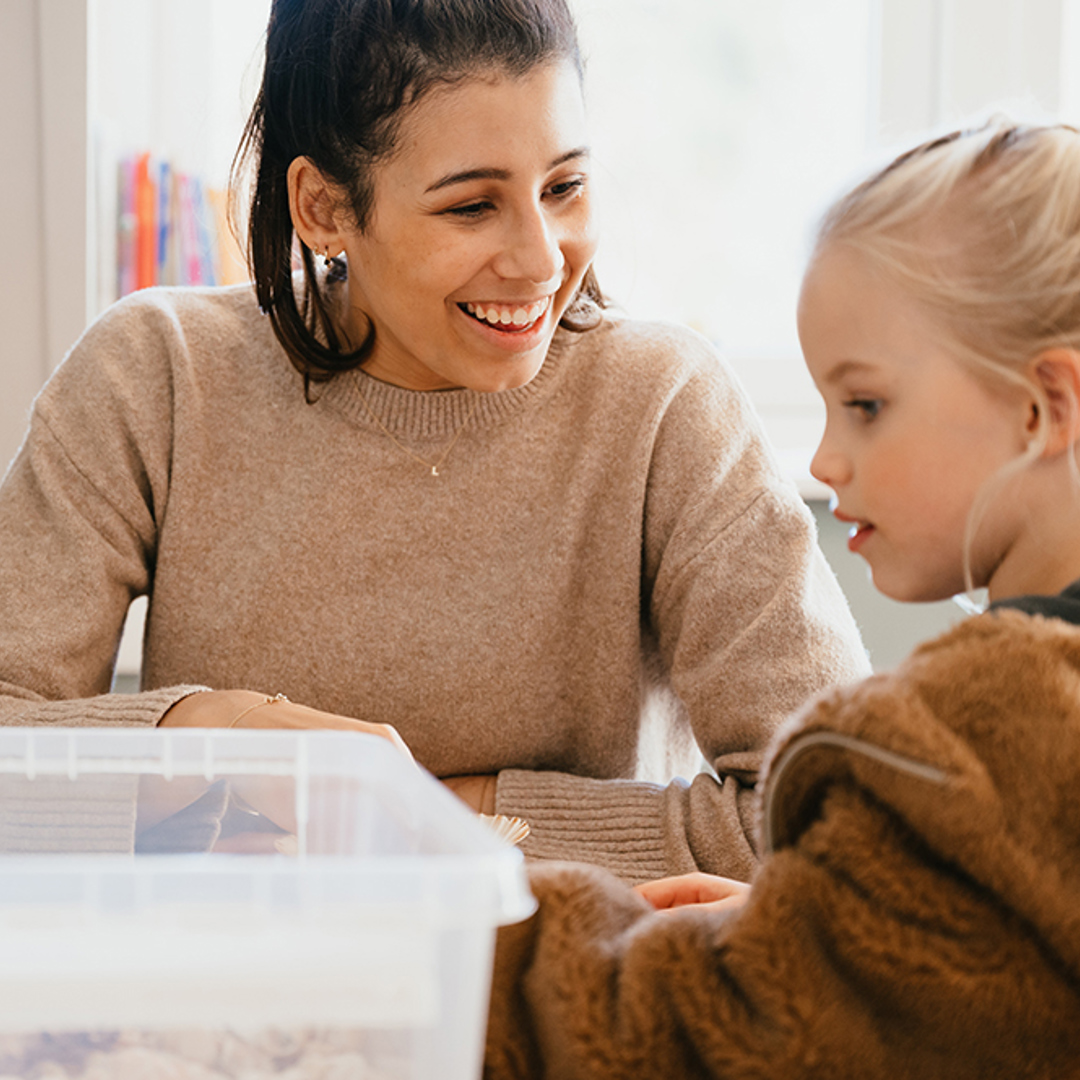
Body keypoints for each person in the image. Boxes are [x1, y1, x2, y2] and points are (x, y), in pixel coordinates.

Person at [0, 0, 867, 880]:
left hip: (563, 998)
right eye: (471, 207)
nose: (539, 259)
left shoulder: (666, 405)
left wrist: (443, 815)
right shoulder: (156, 375)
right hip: (233, 994)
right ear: (324, 206)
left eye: (564, 188)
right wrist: (226, 741)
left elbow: (841, 809)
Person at [483, 118, 1080, 1078]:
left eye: (868, 405)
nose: (826, 459)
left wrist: (448, 941)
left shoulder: (982, 740)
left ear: (1042, 406)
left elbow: (704, 1032)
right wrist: (797, 921)